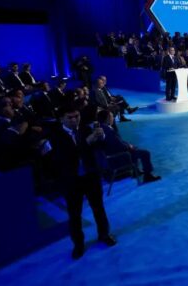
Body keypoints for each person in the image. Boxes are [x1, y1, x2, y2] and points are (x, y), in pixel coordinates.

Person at [48, 105, 117, 259]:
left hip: (91, 176)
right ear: (61, 119)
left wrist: (101, 138)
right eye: (70, 117)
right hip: (71, 181)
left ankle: (104, 235)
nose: (74, 120)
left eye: (77, 116)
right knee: (75, 215)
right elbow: (66, 157)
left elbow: (99, 148)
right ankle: (78, 245)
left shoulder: (85, 129)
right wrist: (88, 141)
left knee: (99, 208)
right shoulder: (55, 136)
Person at [97, 110, 160, 183]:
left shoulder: (102, 128)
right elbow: (118, 145)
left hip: (114, 154)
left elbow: (118, 142)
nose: (113, 118)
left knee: (134, 149)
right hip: (118, 157)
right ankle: (147, 176)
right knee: (145, 153)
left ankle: (135, 171)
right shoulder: (108, 130)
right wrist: (129, 147)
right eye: (111, 116)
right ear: (107, 118)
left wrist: (129, 145)